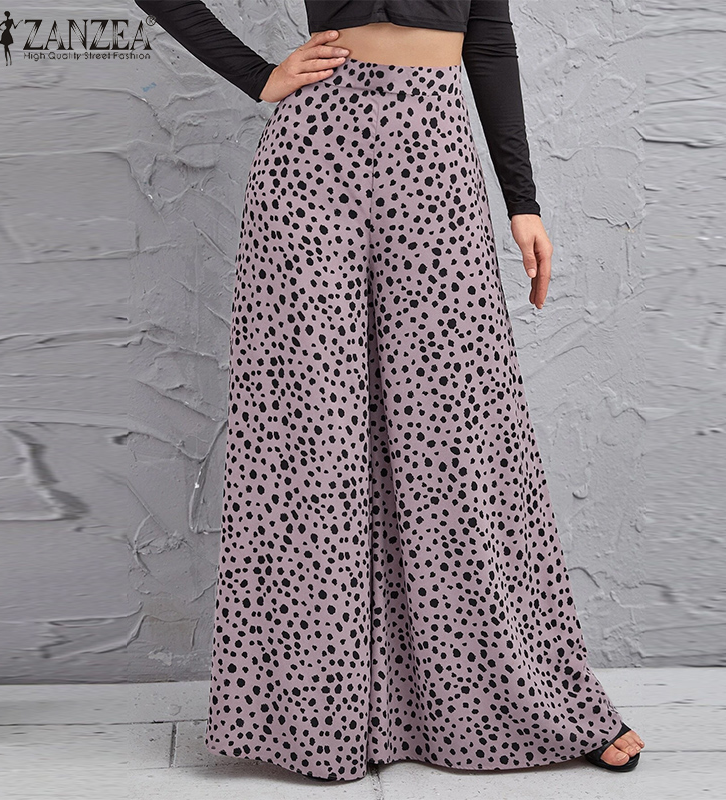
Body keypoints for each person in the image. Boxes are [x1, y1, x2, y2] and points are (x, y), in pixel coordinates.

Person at [134, 0, 645, 781]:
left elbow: (490, 39)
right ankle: (319, 717)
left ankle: (511, 702)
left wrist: (523, 201)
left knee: (452, 437)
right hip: (312, 164)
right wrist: (257, 76)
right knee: (314, 438)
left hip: (434, 160)